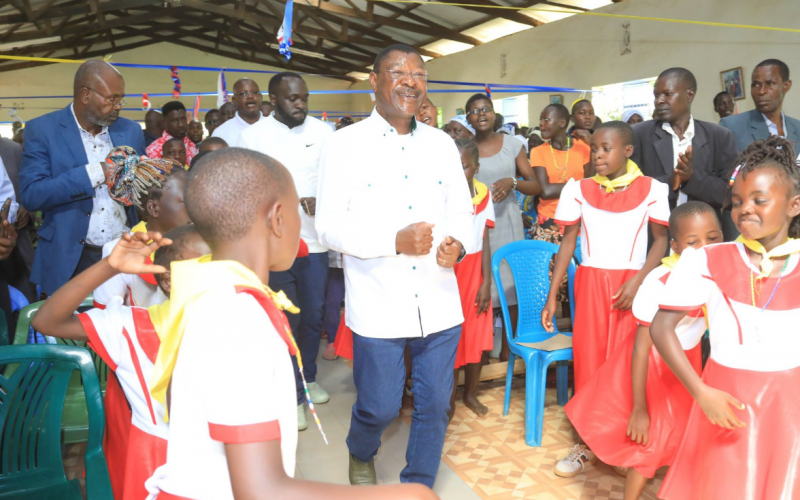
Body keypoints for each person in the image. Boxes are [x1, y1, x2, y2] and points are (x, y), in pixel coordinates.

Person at [144, 148, 436, 500]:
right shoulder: (236, 320)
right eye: (297, 208)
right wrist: (412, 495)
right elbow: (260, 490)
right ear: (277, 218)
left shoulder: (205, 292)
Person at [316, 44, 473, 488]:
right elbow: (328, 226)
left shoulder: (442, 144)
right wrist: (394, 242)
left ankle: (416, 485)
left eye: (419, 73)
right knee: (380, 405)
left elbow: (464, 212)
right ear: (373, 80)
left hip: (439, 299)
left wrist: (457, 244)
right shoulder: (344, 145)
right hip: (379, 301)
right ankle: (360, 448)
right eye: (398, 72)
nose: (410, 81)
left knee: (435, 405)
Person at [651, 136, 800, 499]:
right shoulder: (708, 260)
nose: (744, 209)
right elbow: (661, 327)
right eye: (736, 202)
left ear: (794, 205)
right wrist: (700, 392)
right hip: (724, 403)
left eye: (759, 200)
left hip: (788, 407)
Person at [32, 225, 209, 500]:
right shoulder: (130, 327)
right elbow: (46, 321)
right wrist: (109, 267)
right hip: (157, 462)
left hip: (226, 457)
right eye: (206, 266)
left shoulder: (241, 323)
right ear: (168, 281)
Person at [563, 201, 720, 496]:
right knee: (649, 441)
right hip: (653, 367)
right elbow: (641, 349)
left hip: (687, 365)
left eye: (712, 238)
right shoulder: (659, 282)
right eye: (692, 242)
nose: (704, 248)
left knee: (684, 435)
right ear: (673, 245)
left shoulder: (721, 273)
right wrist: (639, 408)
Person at [541, 121, 669, 478]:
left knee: (629, 363)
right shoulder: (578, 189)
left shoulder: (653, 189)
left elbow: (660, 241)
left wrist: (638, 281)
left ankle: (628, 441)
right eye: (593, 148)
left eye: (605, 148)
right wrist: (553, 297)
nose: (597, 155)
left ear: (627, 151)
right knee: (592, 362)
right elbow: (567, 243)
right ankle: (588, 445)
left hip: (634, 284)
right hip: (592, 284)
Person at [238, 72, 334, 431]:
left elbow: (337, 182)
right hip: (275, 246)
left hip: (315, 244)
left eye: (305, 99)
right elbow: (248, 190)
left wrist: (320, 201)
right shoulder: (253, 137)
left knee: (313, 316)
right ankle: (290, 393)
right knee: (284, 320)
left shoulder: (324, 134)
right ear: (274, 99)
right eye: (293, 99)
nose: (300, 105)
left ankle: (307, 377)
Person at [20, 60, 145, 295]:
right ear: (85, 94)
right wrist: (98, 172)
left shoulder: (130, 130)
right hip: (70, 257)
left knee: (119, 326)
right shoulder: (43, 130)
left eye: (121, 99)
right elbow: (32, 194)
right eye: (112, 99)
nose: (119, 106)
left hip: (124, 251)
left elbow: (142, 190)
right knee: (67, 329)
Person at [466, 93, 539, 362]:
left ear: (495, 114)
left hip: (507, 223)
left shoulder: (512, 144)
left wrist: (513, 182)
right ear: (468, 118)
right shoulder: (464, 147)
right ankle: (481, 351)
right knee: (481, 285)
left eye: (486, 109)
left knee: (511, 288)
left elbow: (535, 185)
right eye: (475, 111)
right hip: (478, 228)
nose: (481, 114)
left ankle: (509, 349)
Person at [631, 68, 737, 216]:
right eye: (656, 95)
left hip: (704, 233)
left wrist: (692, 178)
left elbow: (730, 194)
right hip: (657, 234)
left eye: (668, 94)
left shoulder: (719, 136)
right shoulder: (639, 134)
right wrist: (671, 180)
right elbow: (631, 189)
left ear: (690, 95)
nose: (659, 101)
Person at [95, 150, 190, 309]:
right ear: (153, 208)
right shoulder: (119, 251)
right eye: (186, 201)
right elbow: (105, 318)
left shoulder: (201, 242)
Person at [449, 138, 494, 418]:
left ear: (476, 167)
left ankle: (470, 394)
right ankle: (449, 399)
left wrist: (486, 281)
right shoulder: (443, 195)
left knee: (475, 338)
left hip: (475, 272)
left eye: (463, 166)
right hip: (450, 272)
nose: (457, 172)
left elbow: (484, 239)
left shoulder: (484, 195)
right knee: (451, 339)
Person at [530, 104, 590, 305]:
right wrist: (575, 187)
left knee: (580, 283)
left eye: (546, 119)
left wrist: (565, 187)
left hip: (578, 224)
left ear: (562, 123)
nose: (541, 123)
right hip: (548, 224)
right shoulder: (538, 151)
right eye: (541, 119)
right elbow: (544, 190)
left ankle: (577, 329)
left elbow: (589, 187)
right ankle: (549, 327)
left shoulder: (583, 149)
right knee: (547, 284)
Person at [721, 59, 800, 152]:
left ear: (786, 86)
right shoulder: (731, 126)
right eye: (756, 85)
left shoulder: (797, 127)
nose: (761, 91)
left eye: (770, 83)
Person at [212, 78, 265, 147]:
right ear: (234, 100)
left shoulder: (276, 127)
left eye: (254, 92)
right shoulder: (221, 133)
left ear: (260, 97)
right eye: (243, 93)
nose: (250, 96)